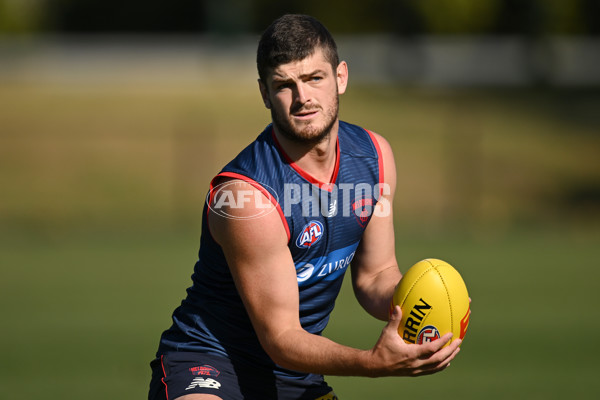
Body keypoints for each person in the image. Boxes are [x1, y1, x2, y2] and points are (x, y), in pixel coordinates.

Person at [149, 14, 462, 400]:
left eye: (315, 78)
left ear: (340, 77)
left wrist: (423, 303)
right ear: (265, 94)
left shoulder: (375, 157)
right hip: (212, 361)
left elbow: (375, 275)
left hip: (294, 372)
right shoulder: (245, 197)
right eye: (285, 85)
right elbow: (280, 335)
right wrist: (372, 362)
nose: (303, 98)